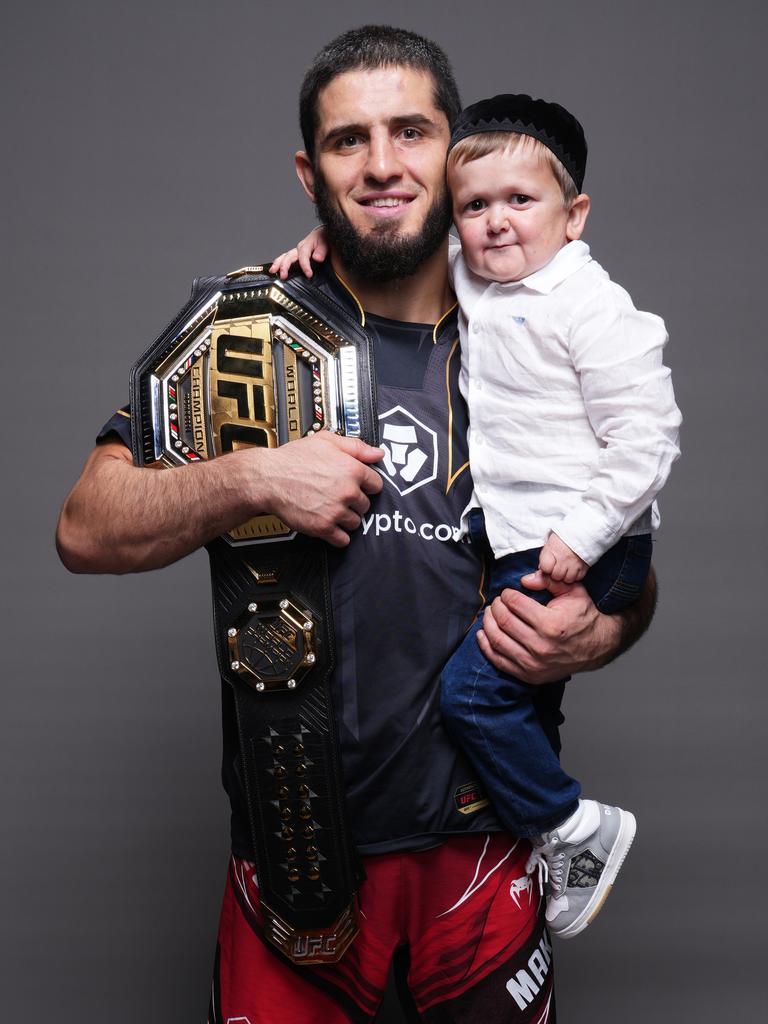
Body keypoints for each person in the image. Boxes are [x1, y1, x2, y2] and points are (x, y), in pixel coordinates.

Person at [57, 26, 659, 1024]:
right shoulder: (246, 331)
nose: (383, 165)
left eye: (412, 131)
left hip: (484, 852)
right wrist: (245, 474)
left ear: (453, 148)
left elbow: (631, 563)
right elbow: (86, 526)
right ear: (310, 169)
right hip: (293, 866)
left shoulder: (544, 332)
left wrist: (594, 633)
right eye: (349, 141)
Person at [274, 91, 682, 943]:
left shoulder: (592, 306)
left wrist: (580, 540)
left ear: (574, 216)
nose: (495, 224)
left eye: (520, 203)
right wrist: (326, 247)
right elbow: (384, 258)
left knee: (473, 693)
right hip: (525, 536)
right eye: (474, 207)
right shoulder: (478, 276)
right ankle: (543, 838)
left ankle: (574, 830)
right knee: (520, 702)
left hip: (582, 539)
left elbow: (647, 441)